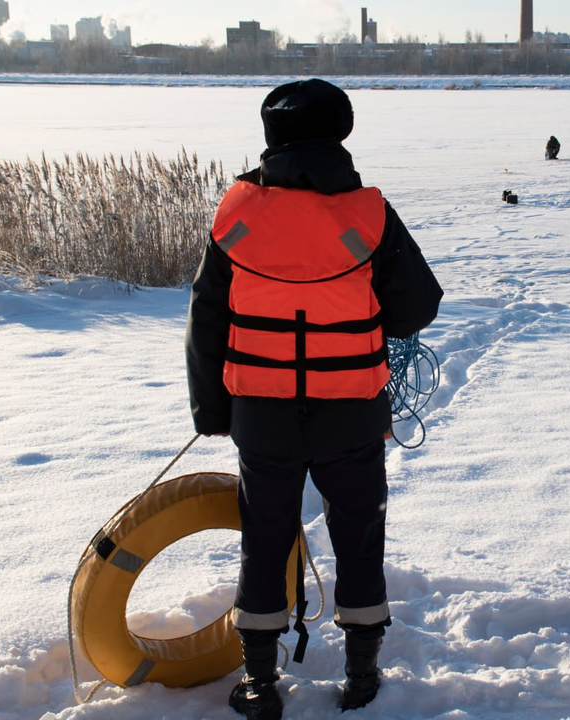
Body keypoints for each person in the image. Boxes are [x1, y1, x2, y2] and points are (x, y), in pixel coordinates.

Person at [186, 78, 443, 719]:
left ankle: (260, 682)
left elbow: (206, 318)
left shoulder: (236, 212)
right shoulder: (370, 214)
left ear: (272, 136)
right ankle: (360, 674)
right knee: (358, 536)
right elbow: (418, 306)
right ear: (341, 133)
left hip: (262, 412)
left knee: (264, 539)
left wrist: (213, 411)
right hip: (350, 410)